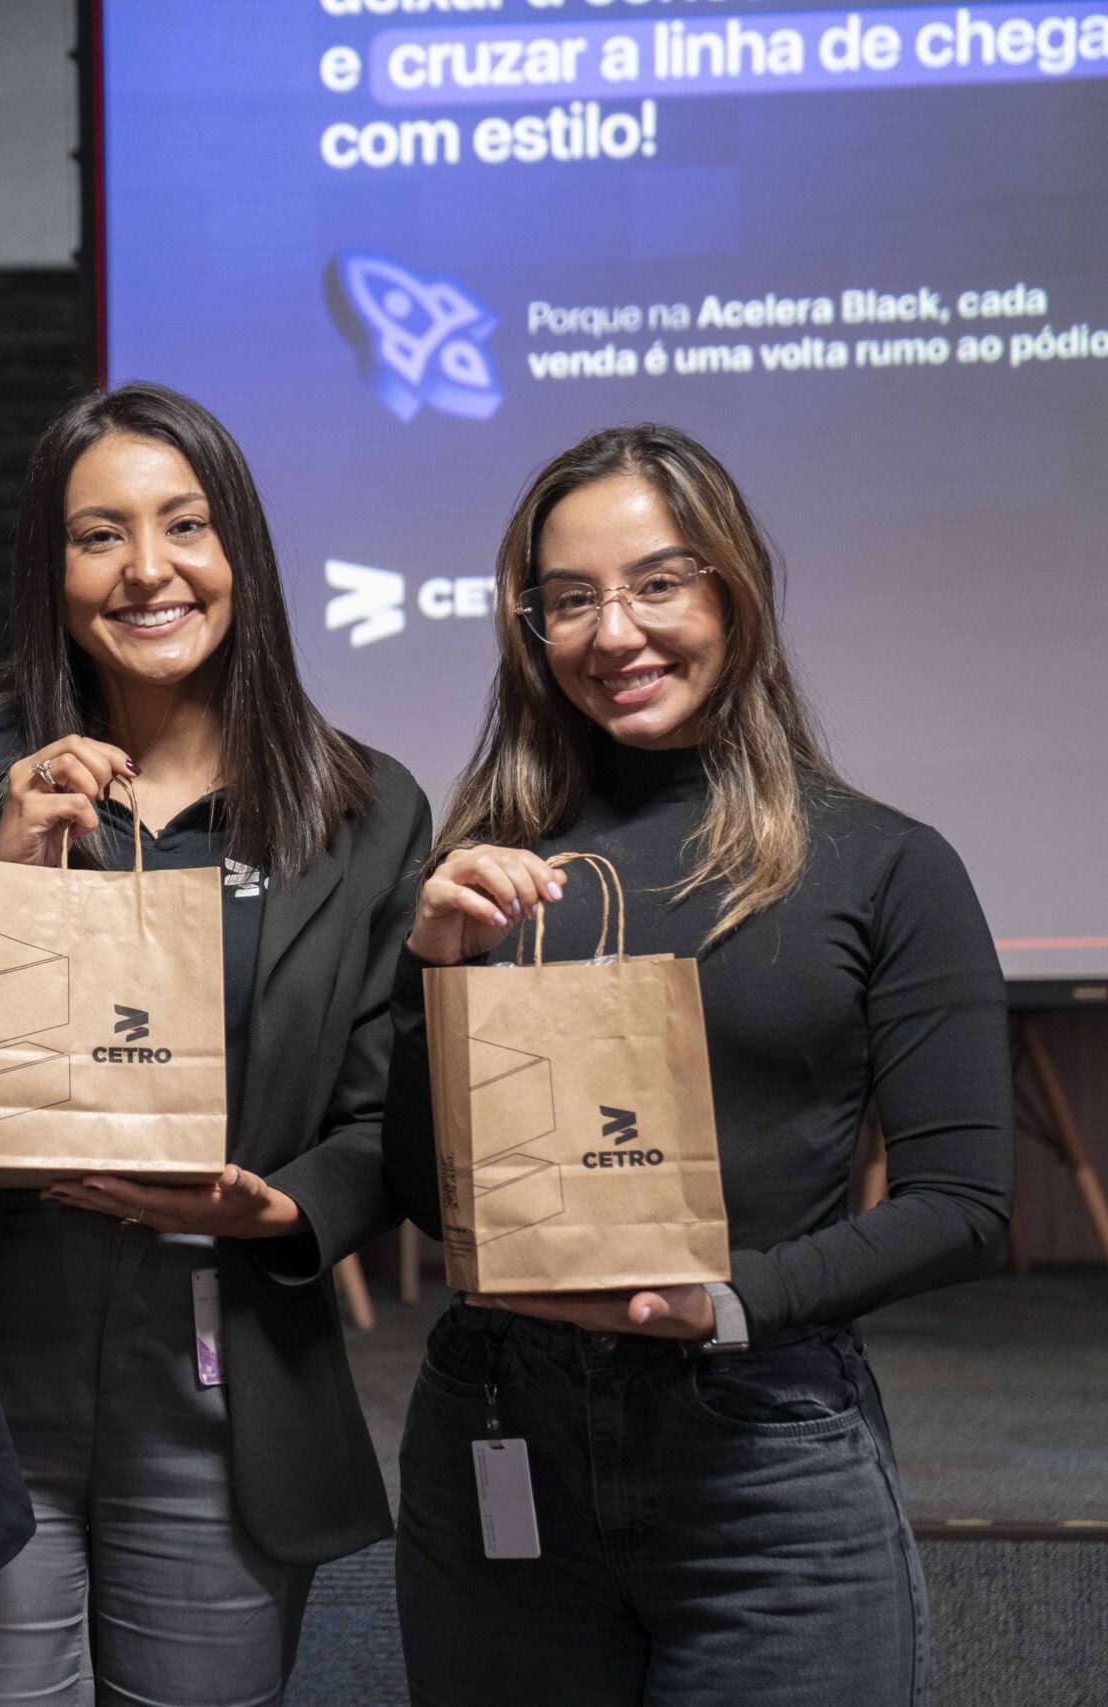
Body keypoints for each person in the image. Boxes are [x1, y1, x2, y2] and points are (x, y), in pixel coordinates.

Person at [0, 383, 430, 1706]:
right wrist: (2, 882)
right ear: (53, 569)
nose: (149, 568)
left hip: (222, 1393)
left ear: (240, 553)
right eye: (101, 535)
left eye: (185, 525)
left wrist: (282, 1204)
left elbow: (390, 1122)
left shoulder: (363, 808)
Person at [382, 422, 1014, 1706]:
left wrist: (723, 1303)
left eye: (658, 584)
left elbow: (965, 1204)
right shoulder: (486, 869)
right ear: (530, 628)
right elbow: (419, 1195)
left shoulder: (883, 864)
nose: (614, 634)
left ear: (735, 591)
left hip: (763, 1445)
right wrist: (433, 977)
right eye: (570, 600)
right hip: (502, 1423)